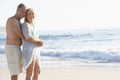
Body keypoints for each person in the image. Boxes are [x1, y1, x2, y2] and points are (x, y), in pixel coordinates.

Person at [5, 3, 26, 80]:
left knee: (16, 72)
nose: (23, 13)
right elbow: (21, 35)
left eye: (24, 12)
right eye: (21, 11)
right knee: (14, 73)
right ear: (17, 10)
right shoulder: (12, 20)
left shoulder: (19, 22)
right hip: (12, 48)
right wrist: (34, 41)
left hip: (17, 48)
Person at [22, 8, 43, 80]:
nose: (31, 15)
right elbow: (28, 37)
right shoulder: (25, 25)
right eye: (29, 14)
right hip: (29, 51)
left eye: (33, 14)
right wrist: (39, 41)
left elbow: (35, 39)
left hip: (36, 51)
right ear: (26, 16)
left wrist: (38, 43)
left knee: (37, 72)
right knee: (29, 74)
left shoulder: (34, 26)